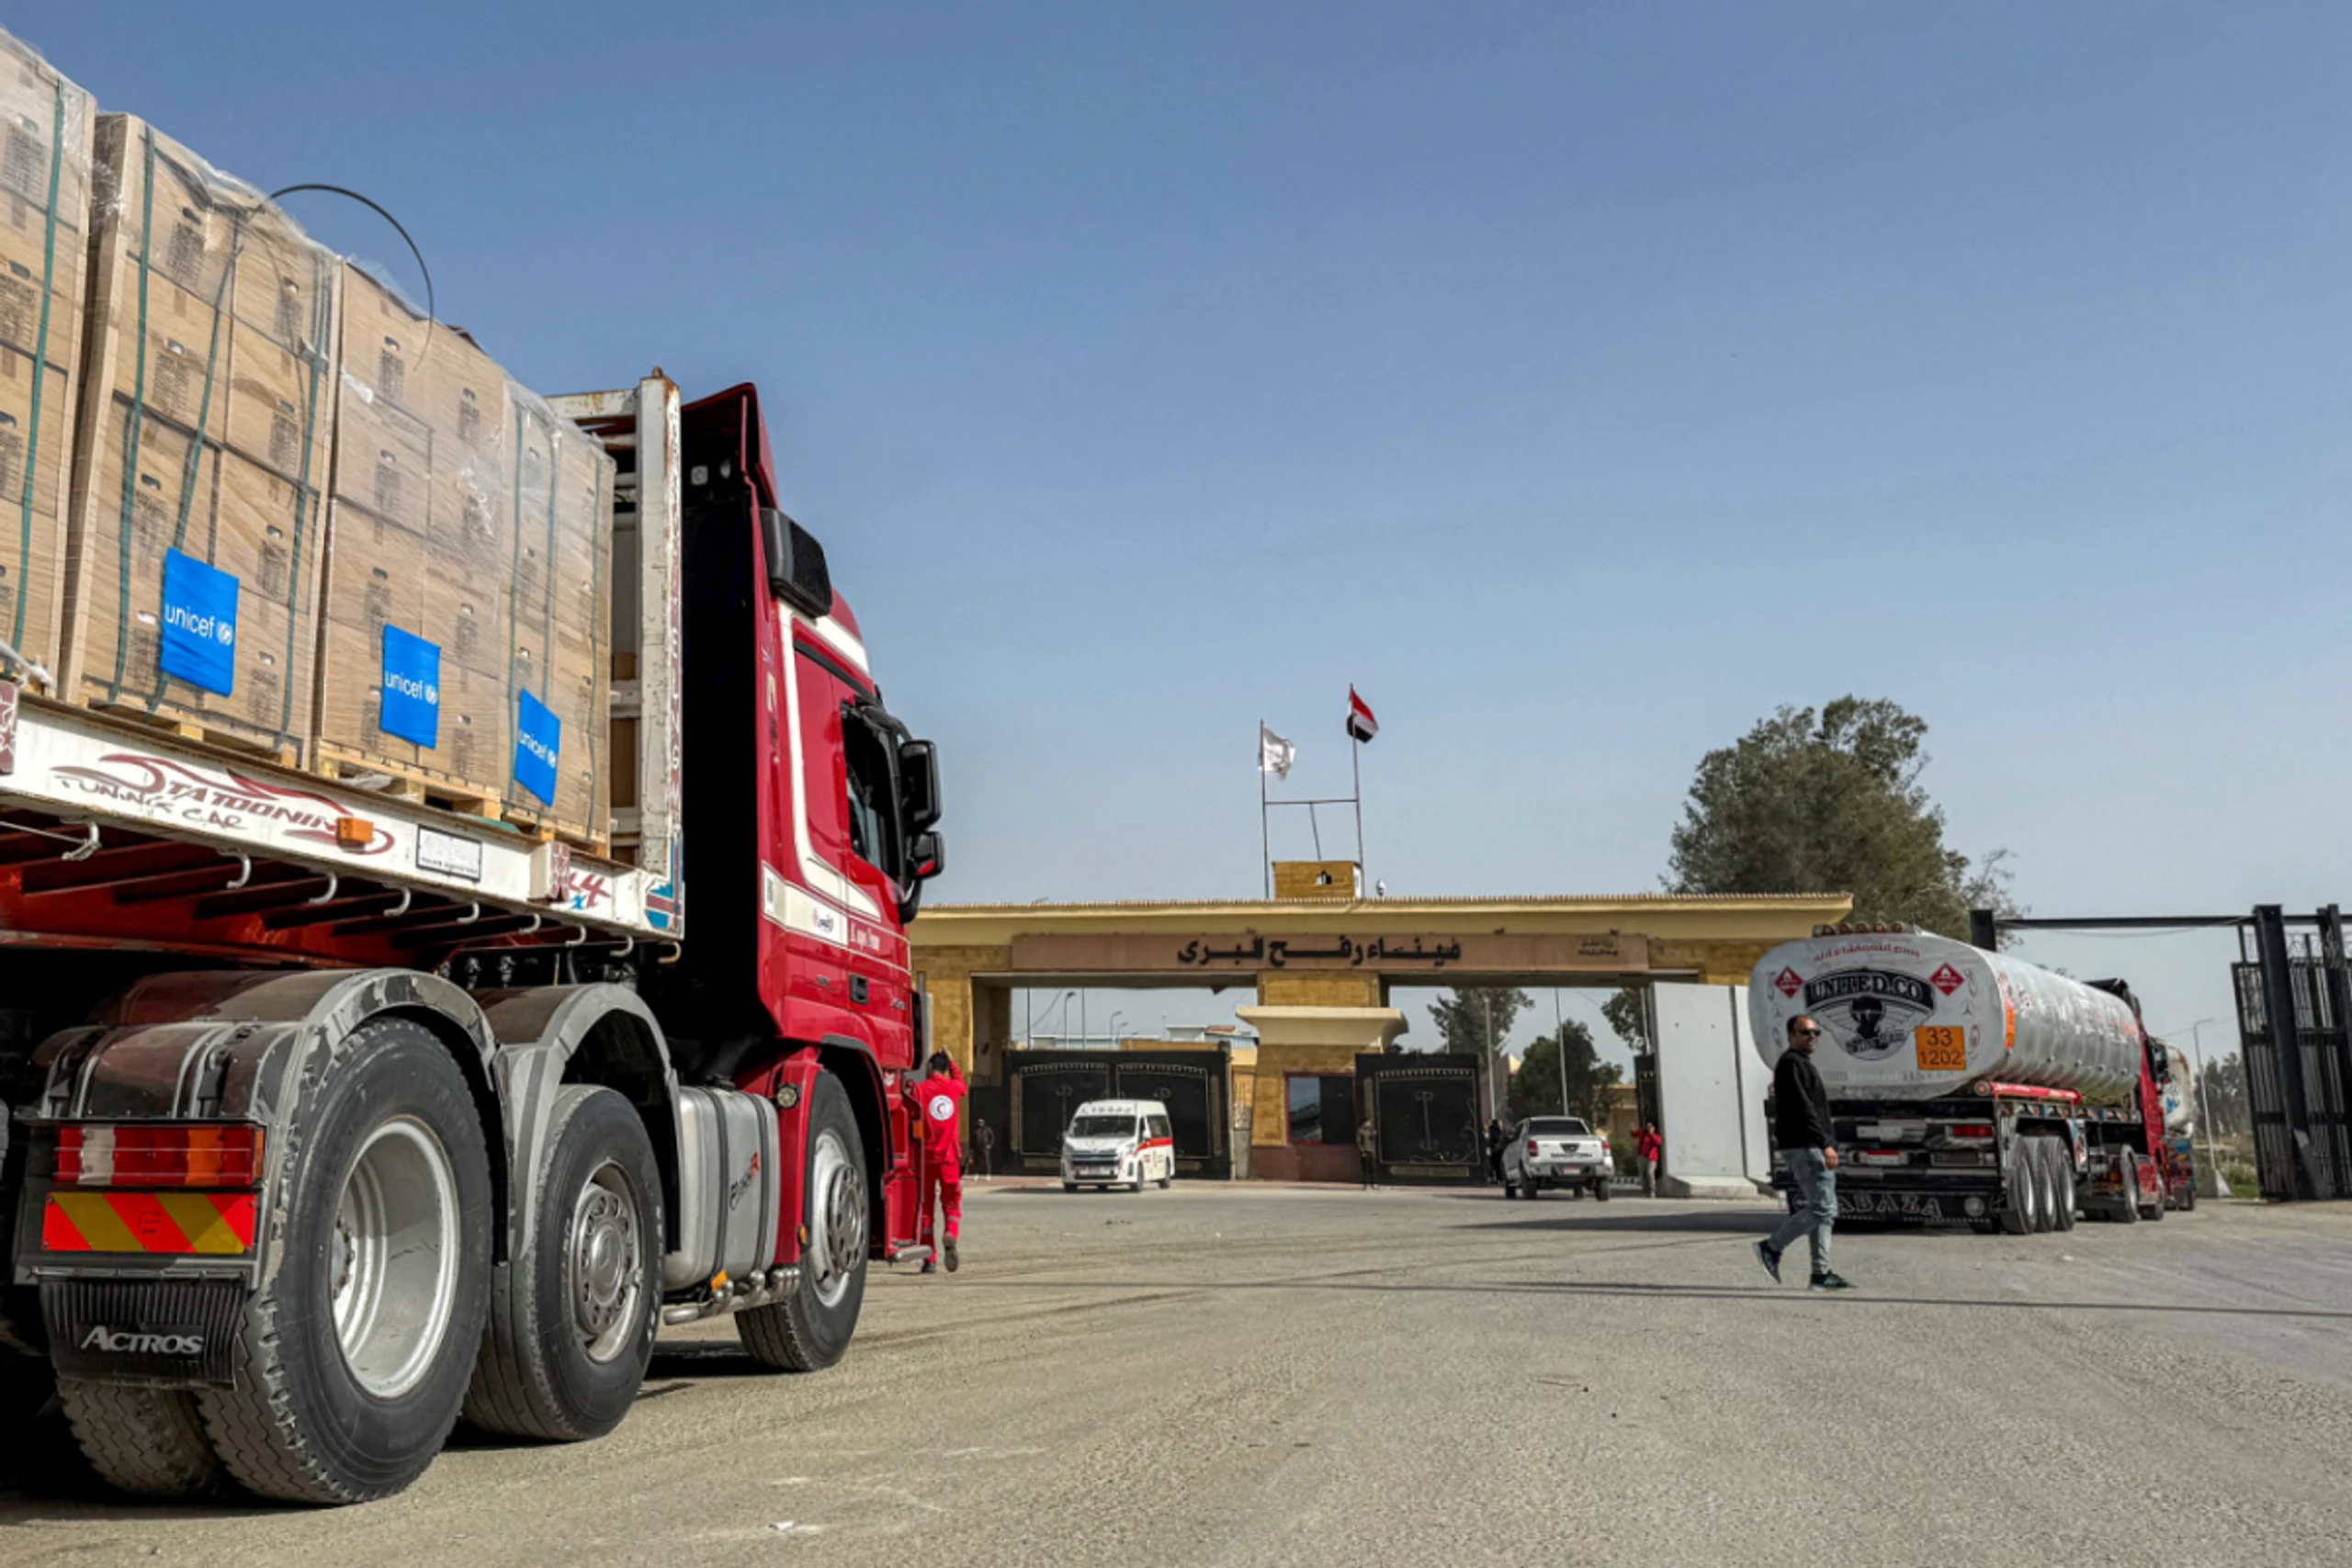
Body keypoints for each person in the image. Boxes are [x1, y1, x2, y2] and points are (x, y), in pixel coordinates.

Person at [1757, 1015, 1852, 1291]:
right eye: (1805, 1032)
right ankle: (1771, 1247)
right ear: (1791, 1035)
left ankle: (1820, 1274)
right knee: (1824, 1209)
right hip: (1806, 1146)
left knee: (1822, 1209)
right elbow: (1803, 1108)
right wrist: (1825, 1144)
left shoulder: (1801, 1064)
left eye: (1815, 1032)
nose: (1812, 1037)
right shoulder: (1791, 1064)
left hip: (1809, 1144)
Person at [913, 1052, 967, 1274]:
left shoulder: (921, 1090)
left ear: (929, 1069)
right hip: (950, 1158)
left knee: (926, 1209)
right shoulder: (954, 1089)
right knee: (951, 1203)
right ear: (946, 1070)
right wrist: (953, 1061)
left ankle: (929, 1259)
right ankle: (951, 1233)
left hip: (926, 1158)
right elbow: (962, 1084)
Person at [1636, 1122, 1663, 1198]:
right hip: (1642, 1157)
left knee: (1650, 1173)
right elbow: (1633, 1134)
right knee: (1642, 1174)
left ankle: (1652, 1191)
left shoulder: (1655, 1136)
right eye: (1648, 1126)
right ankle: (1645, 1192)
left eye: (1651, 1127)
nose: (1649, 1128)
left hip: (1652, 1158)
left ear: (1654, 1128)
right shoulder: (1643, 1134)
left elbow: (1658, 1142)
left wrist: (1651, 1134)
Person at [1354, 1115, 1379, 1189]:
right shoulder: (1360, 1131)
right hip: (1365, 1151)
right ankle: (1365, 1183)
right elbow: (1359, 1142)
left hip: (1371, 1151)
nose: (1369, 1124)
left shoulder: (1370, 1131)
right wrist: (1362, 1151)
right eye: (1368, 1122)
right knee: (1365, 1168)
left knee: (1373, 1168)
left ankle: (1373, 1182)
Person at [1484, 1118, 1507, 1184]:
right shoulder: (1498, 1130)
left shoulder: (1490, 1130)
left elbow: (1488, 1139)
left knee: (1492, 1164)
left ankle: (1493, 1177)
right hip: (1496, 1149)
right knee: (1496, 1164)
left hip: (1492, 1149)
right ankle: (1498, 1177)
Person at [974, 1116, 996, 1181]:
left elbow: (992, 1137)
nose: (980, 1123)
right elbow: (973, 1138)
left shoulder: (987, 1129)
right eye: (979, 1122)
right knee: (977, 1162)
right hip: (977, 1147)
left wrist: (990, 1145)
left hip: (985, 1147)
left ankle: (988, 1174)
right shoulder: (976, 1130)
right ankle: (976, 1174)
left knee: (987, 1161)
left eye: (981, 1122)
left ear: (984, 1123)